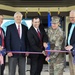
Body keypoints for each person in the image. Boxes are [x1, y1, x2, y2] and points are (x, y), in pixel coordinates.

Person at [65, 10, 75, 75]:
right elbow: (69, 36)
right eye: (70, 17)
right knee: (71, 70)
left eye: (73, 17)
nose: (71, 19)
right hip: (70, 51)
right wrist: (67, 46)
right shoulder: (69, 24)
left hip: (74, 49)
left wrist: (73, 46)